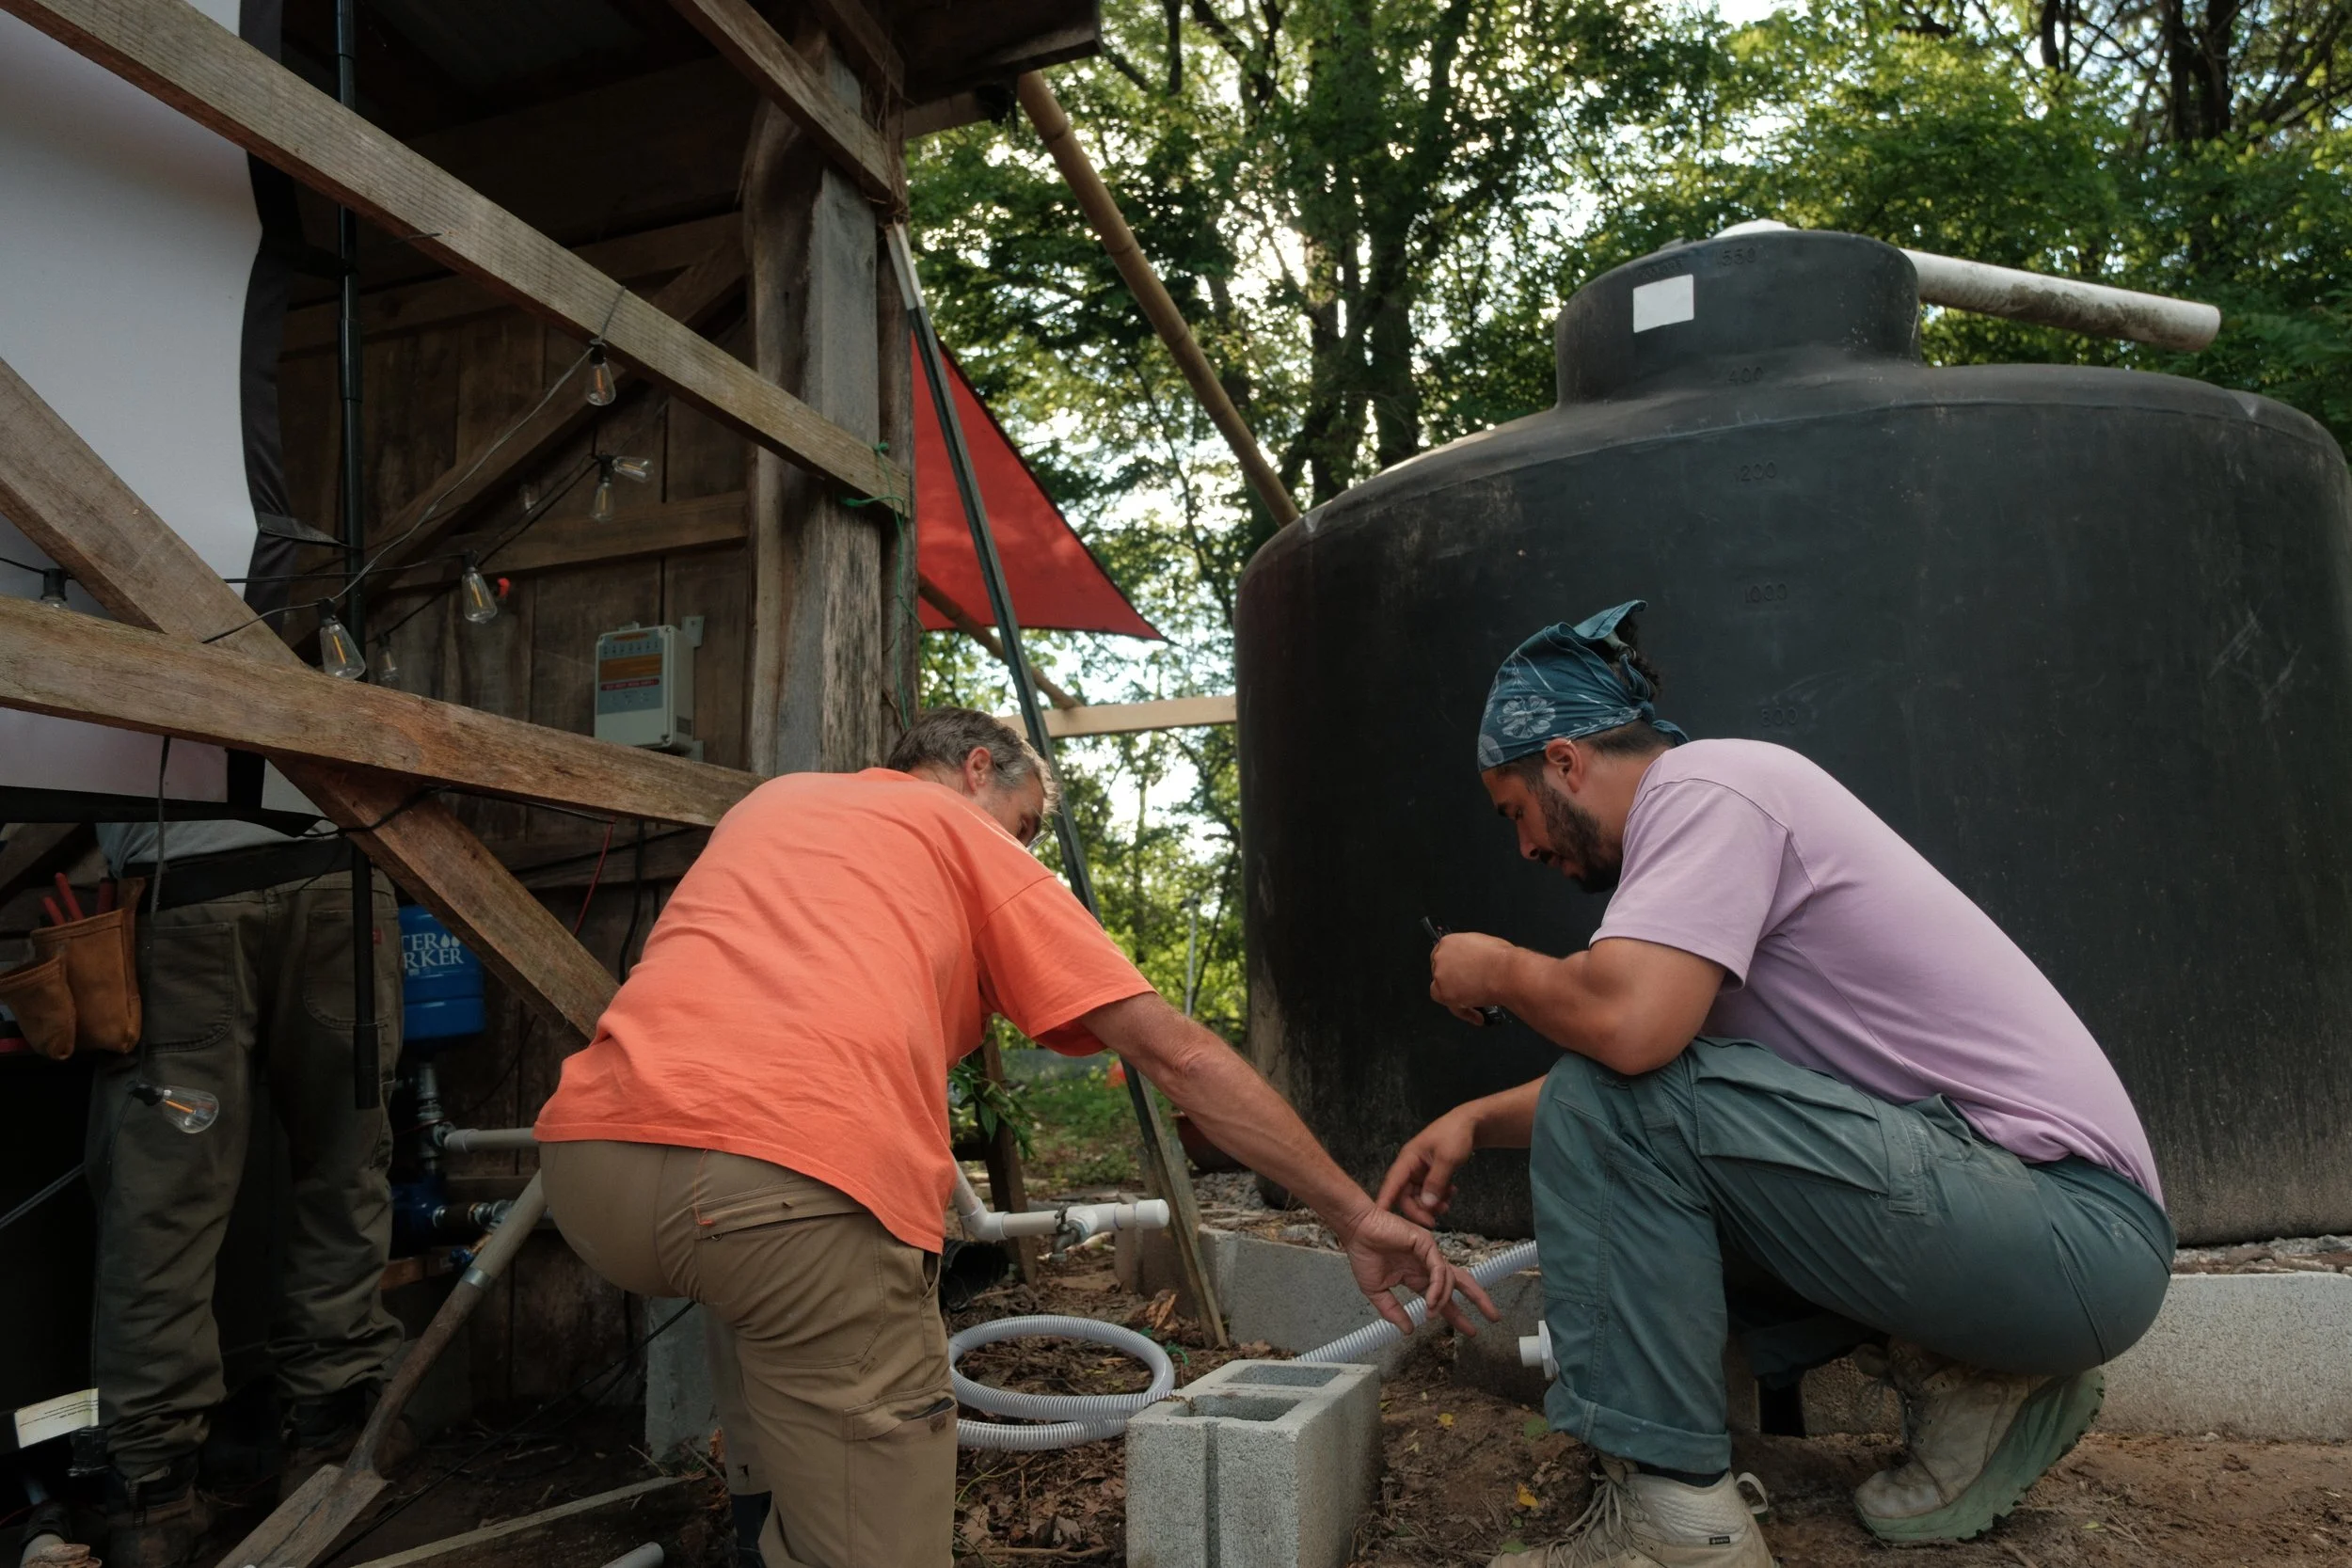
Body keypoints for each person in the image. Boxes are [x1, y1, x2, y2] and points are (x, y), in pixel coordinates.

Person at [533, 706, 1496, 1568]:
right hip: (786, 1186)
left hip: (594, 1165)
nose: (1027, 849)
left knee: (760, 1320)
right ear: (976, 768)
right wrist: (1351, 1215)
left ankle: (755, 1534)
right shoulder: (961, 831)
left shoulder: (776, 805)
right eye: (1028, 823)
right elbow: (1180, 1057)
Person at [1381, 603, 2172, 1568]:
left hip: (2069, 1231)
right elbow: (1653, 1099)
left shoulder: (1709, 788)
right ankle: (1976, 1375)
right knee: (1626, 1142)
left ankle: (1673, 1523)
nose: (1526, 849)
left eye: (1516, 811)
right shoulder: (1705, 863)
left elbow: (1626, 1046)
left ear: (1563, 760)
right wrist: (1473, 1121)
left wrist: (1499, 967)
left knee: (1608, 1094)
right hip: (2044, 1244)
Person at [86, 815, 403, 1568]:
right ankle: (332, 1435)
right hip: (337, 877)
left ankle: (154, 1496)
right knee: (344, 1174)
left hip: (184, 893)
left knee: (162, 1207)